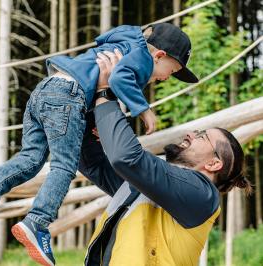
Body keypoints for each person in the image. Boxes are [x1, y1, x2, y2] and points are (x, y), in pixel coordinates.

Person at [0, 23, 198, 266]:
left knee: (30, 158)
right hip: (70, 96)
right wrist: (143, 110)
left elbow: (96, 73)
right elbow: (120, 78)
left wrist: (94, 120)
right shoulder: (142, 59)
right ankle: (37, 221)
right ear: (159, 55)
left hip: (47, 89)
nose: (168, 77)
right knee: (63, 167)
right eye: (173, 70)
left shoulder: (124, 43)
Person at [78, 51, 252, 265]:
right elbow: (93, 164)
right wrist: (84, 112)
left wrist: (105, 92)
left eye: (202, 136)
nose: (191, 134)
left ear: (214, 163)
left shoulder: (202, 194)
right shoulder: (149, 187)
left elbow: (125, 157)